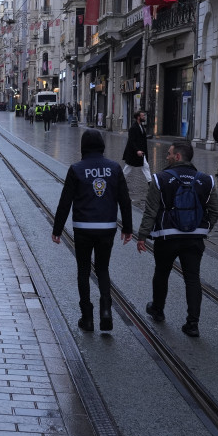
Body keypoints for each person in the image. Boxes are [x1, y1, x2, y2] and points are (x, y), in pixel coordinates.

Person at [137, 140, 218, 337]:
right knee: (192, 278)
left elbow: (150, 211)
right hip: (195, 239)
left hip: (167, 237)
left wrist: (142, 236)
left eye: (168, 153)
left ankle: (158, 310)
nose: (166, 156)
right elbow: (216, 211)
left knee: (162, 273)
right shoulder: (206, 180)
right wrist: (204, 227)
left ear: (177, 156)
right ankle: (192, 324)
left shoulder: (160, 179)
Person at [52, 130, 133, 332]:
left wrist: (57, 229)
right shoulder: (114, 168)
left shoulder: (76, 169)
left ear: (83, 147)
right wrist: (128, 228)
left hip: (83, 227)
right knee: (103, 269)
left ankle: (87, 317)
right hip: (107, 226)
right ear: (102, 146)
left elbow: (65, 202)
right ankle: (106, 311)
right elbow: (125, 200)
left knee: (83, 270)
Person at [122, 111, 152, 184]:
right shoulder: (133, 127)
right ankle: (120, 181)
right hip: (133, 152)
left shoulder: (140, 126)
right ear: (138, 117)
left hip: (141, 151)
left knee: (145, 166)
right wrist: (137, 150)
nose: (144, 117)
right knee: (128, 168)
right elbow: (131, 141)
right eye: (143, 116)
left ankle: (150, 182)